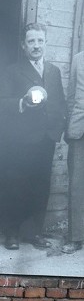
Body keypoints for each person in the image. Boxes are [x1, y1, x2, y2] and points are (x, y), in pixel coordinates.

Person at [0, 23, 66, 251]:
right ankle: (12, 232)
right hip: (20, 141)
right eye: (31, 41)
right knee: (17, 185)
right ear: (24, 45)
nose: (36, 46)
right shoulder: (12, 70)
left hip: (46, 139)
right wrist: (21, 102)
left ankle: (34, 232)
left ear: (45, 43)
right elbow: (0, 102)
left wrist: (56, 130)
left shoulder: (53, 71)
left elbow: (59, 102)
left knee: (41, 185)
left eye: (40, 41)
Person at [63, 50, 84, 254]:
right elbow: (71, 96)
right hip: (79, 129)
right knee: (77, 186)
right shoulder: (79, 58)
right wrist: (69, 127)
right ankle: (76, 237)